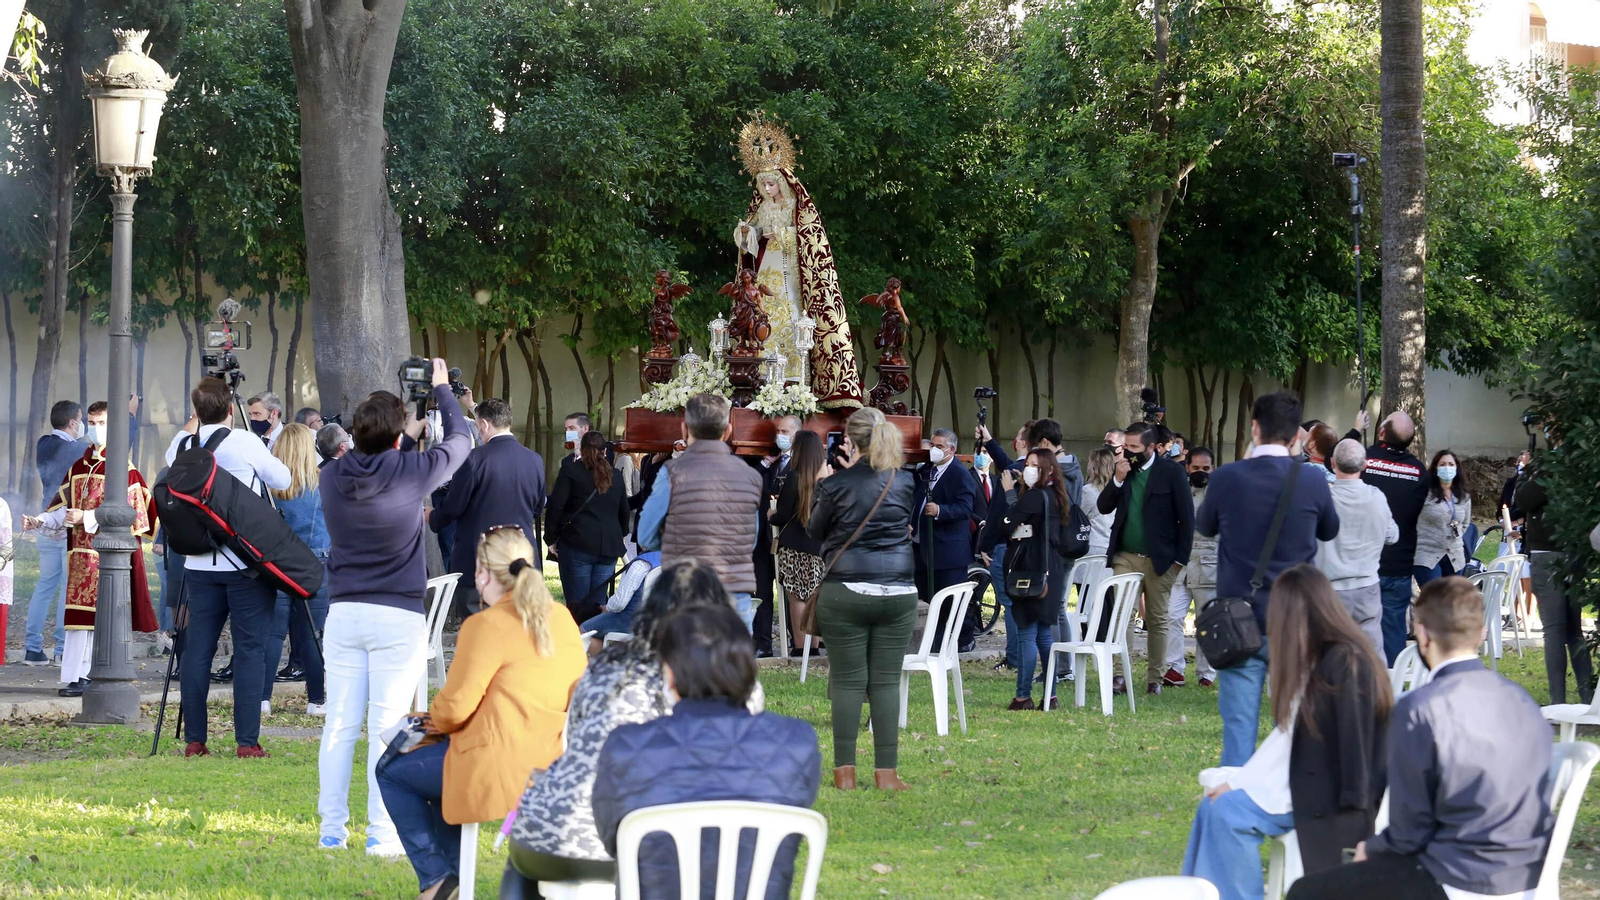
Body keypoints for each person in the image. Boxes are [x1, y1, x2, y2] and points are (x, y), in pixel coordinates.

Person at [503, 560, 765, 894]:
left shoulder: (606, 669)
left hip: (551, 828)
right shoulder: (739, 686)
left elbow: (574, 738)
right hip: (640, 839)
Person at [1287, 577, 1555, 900]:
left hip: (1454, 877)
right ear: (1481, 632)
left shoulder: (1419, 709)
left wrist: (1370, 848)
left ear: (1422, 634)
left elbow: (1408, 833)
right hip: (1527, 873)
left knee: (1306, 891)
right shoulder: (1523, 701)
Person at [376, 525, 585, 900]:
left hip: (497, 767)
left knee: (390, 771)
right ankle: (451, 878)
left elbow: (454, 710)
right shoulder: (562, 618)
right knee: (437, 768)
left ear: (483, 574)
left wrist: (420, 720)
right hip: (553, 763)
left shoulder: (485, 625)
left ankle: (437, 879)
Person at [318, 359, 472, 855]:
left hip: (343, 611)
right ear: (396, 435)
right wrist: (444, 392)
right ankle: (382, 835)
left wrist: (401, 434)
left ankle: (331, 831)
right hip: (397, 614)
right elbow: (463, 442)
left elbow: (372, 458)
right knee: (389, 725)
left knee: (339, 725)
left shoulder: (332, 476)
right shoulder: (411, 471)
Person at [1184, 565, 1391, 900]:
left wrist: (1356, 817)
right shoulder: (1321, 658)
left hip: (1328, 794)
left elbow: (1356, 750)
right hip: (1302, 778)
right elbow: (1287, 737)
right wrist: (1238, 782)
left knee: (1225, 812)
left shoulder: (1345, 663)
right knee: (1212, 806)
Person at [592, 602, 820, 900]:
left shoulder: (625, 746)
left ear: (669, 674)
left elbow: (613, 840)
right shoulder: (797, 743)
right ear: (748, 667)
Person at [1196, 390, 1339, 766]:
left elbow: (1204, 526)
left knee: (1239, 731)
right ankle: (1293, 805)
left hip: (1239, 620)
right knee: (1294, 728)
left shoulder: (1227, 478)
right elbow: (1329, 530)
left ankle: (1238, 810)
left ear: (1254, 429)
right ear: (1298, 438)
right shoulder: (1312, 482)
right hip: (1295, 618)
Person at [164, 378, 292, 757]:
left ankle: (195, 740)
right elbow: (282, 479)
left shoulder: (182, 445)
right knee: (250, 649)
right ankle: (247, 742)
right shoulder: (245, 442)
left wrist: (193, 424)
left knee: (197, 652)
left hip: (197, 563)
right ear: (230, 410)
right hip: (244, 562)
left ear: (196, 412)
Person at [806, 407, 917, 792]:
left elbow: (814, 532)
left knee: (850, 682)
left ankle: (845, 773)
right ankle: (887, 773)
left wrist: (822, 486)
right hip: (899, 588)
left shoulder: (836, 485)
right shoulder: (904, 482)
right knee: (886, 682)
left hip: (847, 588)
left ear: (849, 440)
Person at [25, 400, 161, 696]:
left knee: (100, 619)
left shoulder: (124, 471)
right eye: (92, 422)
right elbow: (63, 508)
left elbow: (136, 518)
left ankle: (94, 673)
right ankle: (76, 675)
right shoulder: (79, 466)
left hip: (107, 558)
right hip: (77, 555)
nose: (96, 429)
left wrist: (86, 517)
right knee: (77, 620)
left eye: (102, 424)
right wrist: (40, 520)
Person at [637, 393, 764, 630]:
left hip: (685, 590)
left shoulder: (673, 472)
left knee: (683, 665)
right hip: (735, 592)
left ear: (684, 429)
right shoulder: (751, 476)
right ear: (727, 431)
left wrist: (673, 541)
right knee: (730, 666)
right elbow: (752, 538)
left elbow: (645, 535)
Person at [1097, 421, 1194, 696]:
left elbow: (1186, 519)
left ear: (1152, 447)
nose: (1128, 452)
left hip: (1161, 559)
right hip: (1125, 556)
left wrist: (1179, 562)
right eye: (1126, 446)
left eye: (1134, 447)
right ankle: (1120, 674)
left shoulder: (1172, 473)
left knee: (1157, 618)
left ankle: (1155, 678)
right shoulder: (1124, 470)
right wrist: (1117, 478)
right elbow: (1104, 506)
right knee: (1122, 616)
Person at [429, 397, 546, 616]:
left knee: (479, 634)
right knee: (518, 632)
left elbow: (454, 506)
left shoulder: (474, 459)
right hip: (521, 559)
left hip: (480, 562)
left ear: (484, 424)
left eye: (477, 425)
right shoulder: (534, 460)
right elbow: (538, 508)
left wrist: (433, 516)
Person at [982, 449, 1073, 711]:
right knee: (1043, 633)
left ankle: (1023, 696)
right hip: (1050, 570)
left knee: (1026, 633)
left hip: (1030, 570)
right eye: (1028, 464)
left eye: (1035, 465)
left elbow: (1007, 524)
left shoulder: (1034, 496)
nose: (1029, 468)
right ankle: (1051, 695)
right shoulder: (1056, 495)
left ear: (1049, 470)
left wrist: (1011, 492)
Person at [260, 423, 330, 718]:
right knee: (312, 636)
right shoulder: (325, 483)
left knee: (272, 635)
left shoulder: (269, 487)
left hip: (276, 565)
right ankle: (316, 700)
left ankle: (262, 698)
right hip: (316, 564)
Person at [1515, 454, 1593, 705]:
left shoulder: (1549, 467)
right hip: (1577, 551)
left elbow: (1523, 499)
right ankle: (1587, 698)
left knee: (1555, 630)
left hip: (1547, 554)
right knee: (1574, 631)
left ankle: (1558, 703)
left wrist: (1527, 472)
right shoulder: (1584, 462)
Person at [1315, 439, 1398, 657]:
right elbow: (1392, 535)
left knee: (1330, 656)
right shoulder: (1377, 497)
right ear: (1365, 465)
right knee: (1372, 657)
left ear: (1332, 463)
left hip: (1330, 591)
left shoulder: (1323, 499)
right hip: (1367, 587)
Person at [1361, 411, 1431, 664]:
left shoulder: (1364, 461)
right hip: (1398, 565)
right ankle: (1392, 685)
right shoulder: (1418, 471)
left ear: (1381, 432)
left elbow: (1332, 462)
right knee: (1393, 631)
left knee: (1357, 630)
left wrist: (1356, 431)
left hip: (1363, 564)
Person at [545, 429, 627, 618]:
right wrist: (621, 534)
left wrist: (550, 538)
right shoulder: (615, 475)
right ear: (605, 451)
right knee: (599, 604)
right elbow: (623, 510)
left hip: (577, 544)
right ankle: (595, 643)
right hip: (608, 546)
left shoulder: (571, 471)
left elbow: (556, 506)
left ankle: (577, 643)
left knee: (577, 604)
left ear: (580, 449)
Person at [914, 428, 977, 651]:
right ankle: (935, 641)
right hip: (924, 546)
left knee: (952, 599)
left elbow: (966, 508)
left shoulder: (960, 474)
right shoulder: (926, 471)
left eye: (939, 446)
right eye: (933, 445)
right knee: (928, 596)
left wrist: (941, 510)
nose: (934, 450)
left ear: (952, 449)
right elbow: (917, 501)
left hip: (949, 550)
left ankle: (965, 638)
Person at [1164, 446, 1218, 688]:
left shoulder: (1221, 494)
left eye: (1205, 469)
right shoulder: (1178, 490)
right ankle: (1174, 668)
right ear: (1187, 467)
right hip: (1180, 565)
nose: (1200, 472)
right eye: (1196, 468)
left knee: (1205, 621)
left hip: (1209, 564)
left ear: (1213, 469)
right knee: (1172, 616)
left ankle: (1207, 673)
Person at [769, 430, 827, 655]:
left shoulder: (795, 476)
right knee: (813, 597)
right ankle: (812, 648)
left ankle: (800, 648)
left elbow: (782, 514)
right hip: (818, 547)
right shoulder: (825, 478)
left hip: (794, 546)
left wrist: (770, 514)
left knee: (796, 599)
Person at [970, 440, 1016, 670]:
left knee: (1010, 602)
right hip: (983, 539)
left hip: (1002, 544)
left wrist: (987, 542)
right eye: (981, 452)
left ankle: (1015, 657)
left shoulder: (1006, 478)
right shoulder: (969, 477)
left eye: (988, 453)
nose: (984, 456)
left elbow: (1001, 510)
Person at [579, 550, 661, 650]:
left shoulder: (642, 563)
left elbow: (618, 603)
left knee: (583, 630)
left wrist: (607, 608)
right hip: (660, 622)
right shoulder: (675, 561)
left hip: (631, 620)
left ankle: (604, 662)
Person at [1413, 449, 1471, 589]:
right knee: (1434, 602)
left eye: (1451, 464)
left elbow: (1465, 524)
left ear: (1457, 468)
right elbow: (1411, 519)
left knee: (1451, 603)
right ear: (1435, 468)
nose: (1447, 468)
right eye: (1442, 464)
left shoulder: (1463, 497)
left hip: (1455, 556)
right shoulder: (1424, 493)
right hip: (1427, 555)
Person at [1080, 447, 1117, 559]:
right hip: (1110, 546)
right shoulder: (1117, 490)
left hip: (1091, 546)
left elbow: (1079, 515)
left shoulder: (1088, 491)